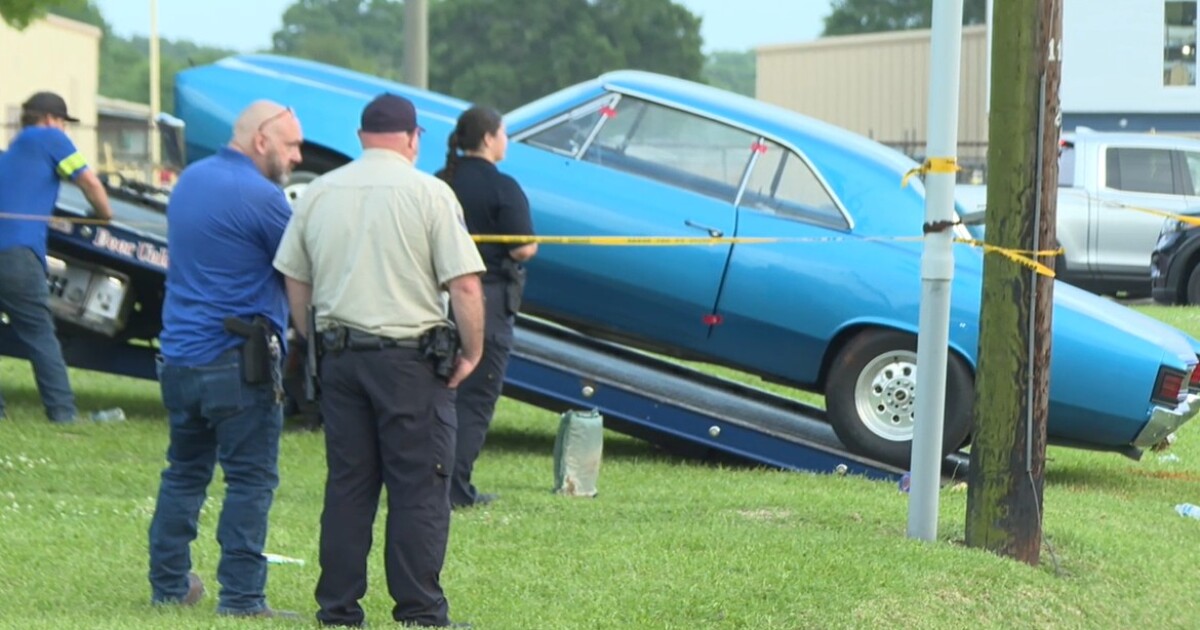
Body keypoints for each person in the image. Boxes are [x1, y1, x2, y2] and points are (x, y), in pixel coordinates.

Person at [274, 93, 485, 629]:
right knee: (418, 488)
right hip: (411, 363)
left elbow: (295, 277)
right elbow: (463, 283)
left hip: (341, 358)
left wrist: (310, 336)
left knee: (349, 485)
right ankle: (418, 612)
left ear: (362, 136)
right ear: (413, 138)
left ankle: (338, 610)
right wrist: (473, 350)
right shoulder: (430, 193)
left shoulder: (319, 193)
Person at [147, 100, 303, 618]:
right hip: (237, 363)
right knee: (251, 480)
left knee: (184, 472)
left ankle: (169, 584)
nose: (298, 156)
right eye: (292, 145)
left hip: (179, 357)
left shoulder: (190, 180)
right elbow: (301, 270)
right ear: (262, 140)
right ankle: (241, 597)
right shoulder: (263, 198)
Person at [436, 106, 537, 510]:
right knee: (475, 398)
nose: (506, 141)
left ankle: (427, 482)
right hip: (487, 299)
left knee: (437, 397)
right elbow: (522, 247)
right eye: (504, 133)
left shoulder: (440, 181)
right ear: (490, 138)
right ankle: (456, 490)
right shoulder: (503, 187)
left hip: (436, 300)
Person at [0, 92, 112, 423]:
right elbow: (88, 180)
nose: (64, 129)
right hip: (18, 254)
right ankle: (63, 414)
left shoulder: (11, 153)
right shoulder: (50, 138)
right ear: (51, 118)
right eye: (63, 122)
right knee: (39, 334)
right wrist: (103, 216)